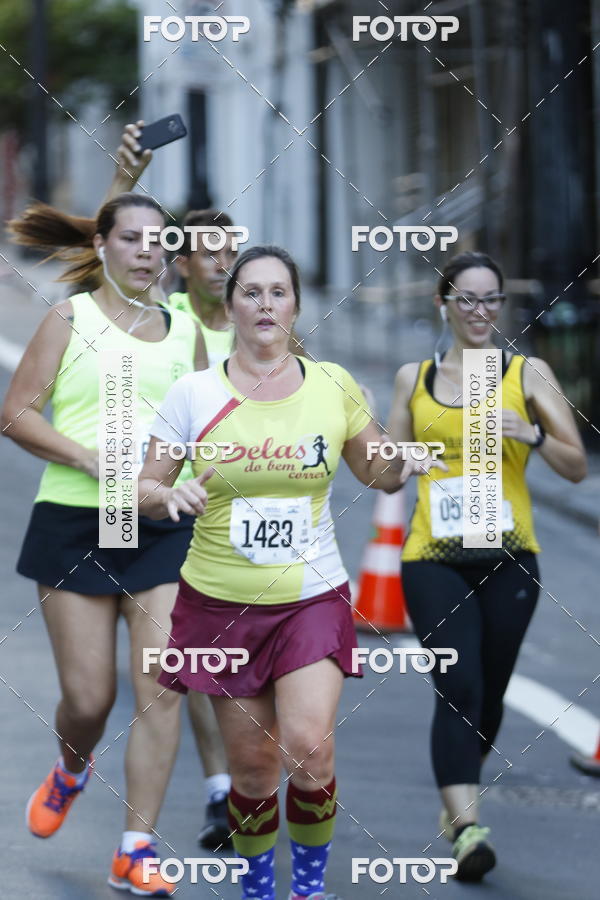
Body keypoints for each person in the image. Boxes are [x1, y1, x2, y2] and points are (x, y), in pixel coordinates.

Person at [137, 245, 415, 900]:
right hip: (221, 603)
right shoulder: (194, 392)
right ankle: (260, 888)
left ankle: (308, 889)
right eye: (252, 292)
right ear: (230, 305)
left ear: (296, 305)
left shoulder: (334, 385)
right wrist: (167, 497)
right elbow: (141, 487)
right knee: (255, 769)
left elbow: (377, 471)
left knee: (309, 747)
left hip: (310, 597)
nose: (266, 305)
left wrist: (403, 456)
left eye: (279, 292)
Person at [1, 193, 209, 896]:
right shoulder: (71, 318)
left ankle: (135, 847)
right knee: (89, 700)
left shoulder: (187, 332)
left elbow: (203, 423)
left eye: (159, 241)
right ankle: (71, 768)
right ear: (104, 244)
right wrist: (90, 459)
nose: (148, 251)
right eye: (133, 239)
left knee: (162, 685)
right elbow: (17, 413)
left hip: (159, 527)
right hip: (75, 522)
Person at [387, 251, 587, 881]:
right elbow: (386, 474)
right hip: (432, 557)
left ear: (502, 306)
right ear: (442, 304)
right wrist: (402, 456)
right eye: (466, 299)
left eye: (491, 300)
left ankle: (458, 794)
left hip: (509, 556)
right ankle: (468, 827)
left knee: (490, 694)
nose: (479, 312)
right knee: (460, 685)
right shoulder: (412, 378)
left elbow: (577, 464)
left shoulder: (527, 374)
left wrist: (527, 432)